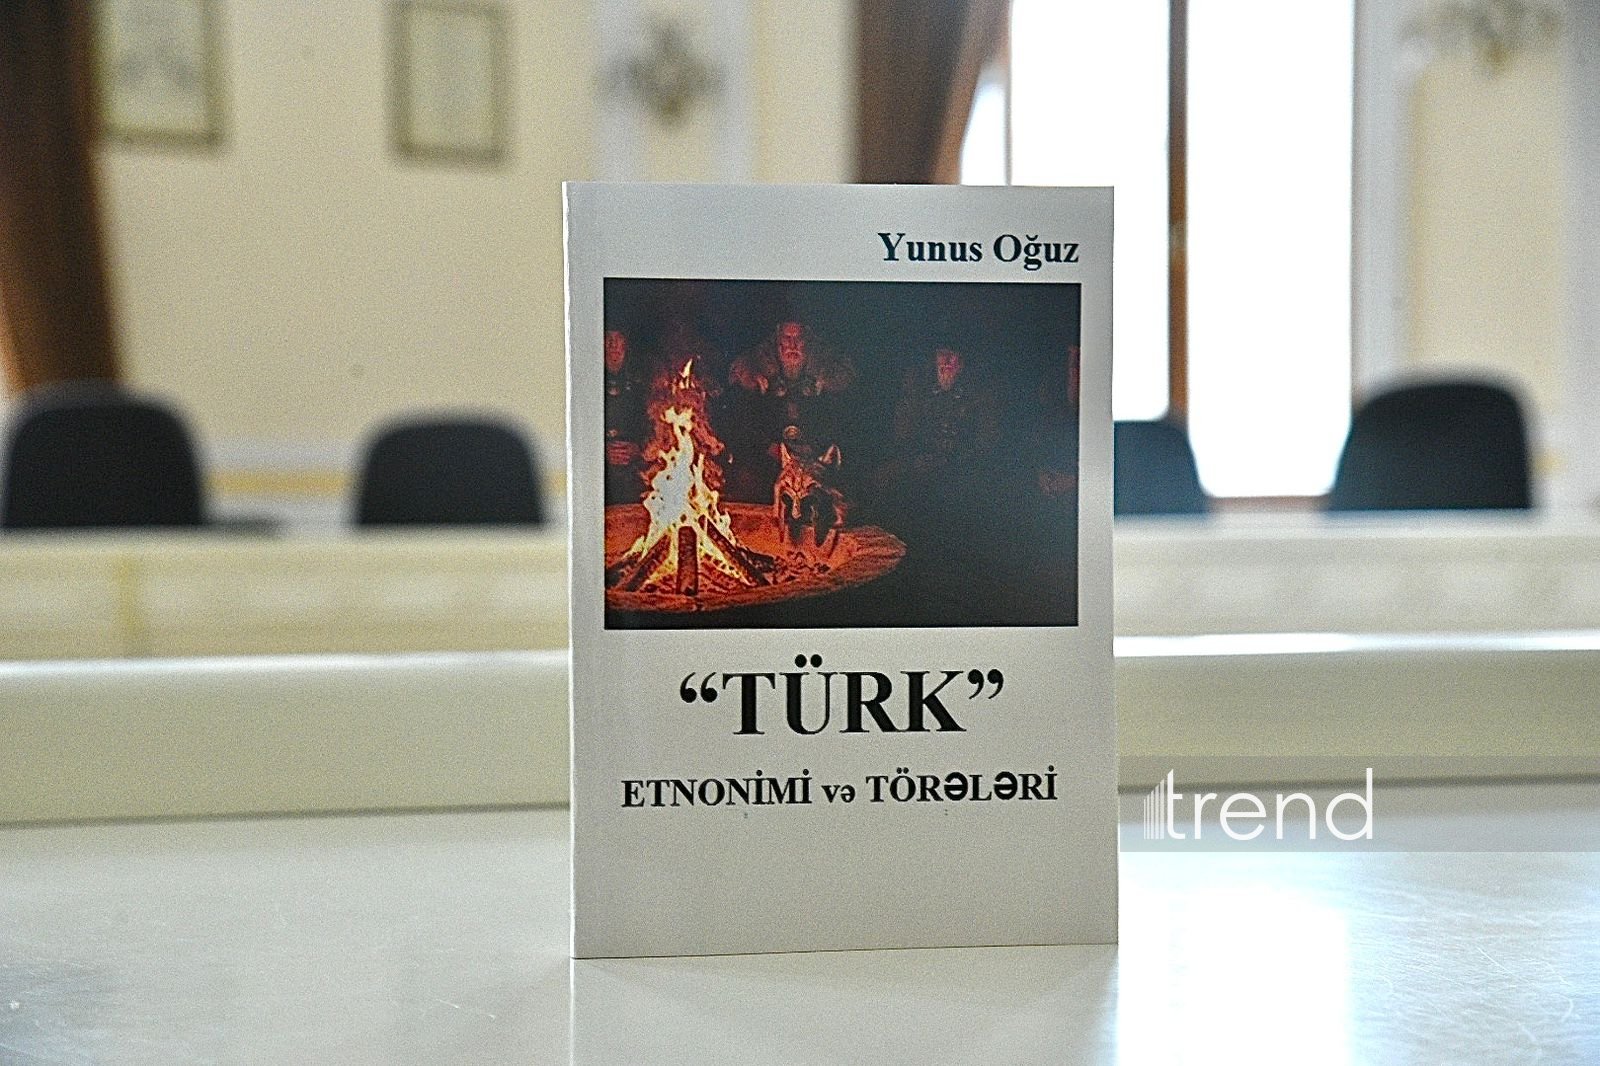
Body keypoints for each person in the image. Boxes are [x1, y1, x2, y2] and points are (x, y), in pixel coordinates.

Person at [725, 321, 855, 500]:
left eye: (798, 339)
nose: (792, 345)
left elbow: (842, 419)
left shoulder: (829, 371)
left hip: (816, 458)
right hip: (771, 457)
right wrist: (769, 447)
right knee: (747, 480)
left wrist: (818, 454)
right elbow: (743, 421)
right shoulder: (756, 369)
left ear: (807, 341)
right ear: (778, 340)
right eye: (787, 338)